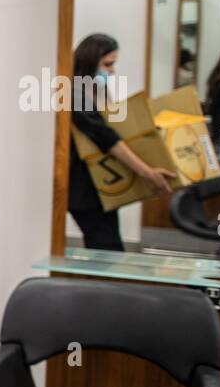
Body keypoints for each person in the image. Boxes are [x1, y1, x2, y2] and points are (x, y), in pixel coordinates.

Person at [66, 33, 177, 251]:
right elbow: (106, 137)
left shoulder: (96, 91)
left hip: (102, 183)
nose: (112, 71)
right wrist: (146, 172)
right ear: (90, 61)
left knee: (107, 248)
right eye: (108, 64)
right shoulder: (74, 95)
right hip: (84, 187)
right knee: (107, 248)